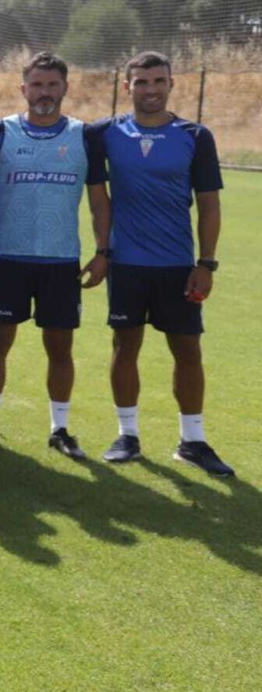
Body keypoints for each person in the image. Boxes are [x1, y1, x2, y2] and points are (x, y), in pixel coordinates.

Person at [86, 52, 232, 475]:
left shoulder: (195, 135)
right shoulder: (104, 134)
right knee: (124, 346)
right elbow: (48, 123)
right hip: (126, 264)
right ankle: (127, 435)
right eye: (141, 82)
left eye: (158, 81)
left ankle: (193, 440)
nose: (150, 89)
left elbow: (209, 204)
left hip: (178, 265)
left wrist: (206, 261)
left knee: (187, 349)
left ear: (171, 84)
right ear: (126, 86)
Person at [0, 52, 108, 458]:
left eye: (52, 85)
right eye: (37, 85)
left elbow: (99, 200)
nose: (44, 92)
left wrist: (103, 251)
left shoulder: (84, 136)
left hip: (61, 261)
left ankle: (60, 430)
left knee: (60, 349)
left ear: (65, 87)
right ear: (22, 89)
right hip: (8, 257)